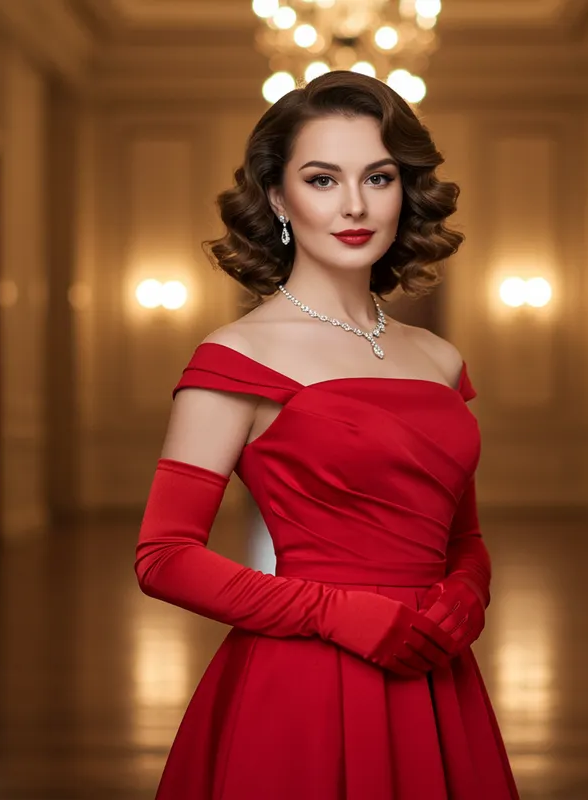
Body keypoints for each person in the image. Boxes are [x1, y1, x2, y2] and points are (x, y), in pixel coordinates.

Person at [135, 70, 519, 799]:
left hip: (438, 670)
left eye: (378, 177)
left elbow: (462, 538)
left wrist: (468, 594)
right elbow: (163, 556)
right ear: (279, 198)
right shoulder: (235, 358)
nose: (354, 205)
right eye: (322, 179)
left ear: (404, 191)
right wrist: (339, 613)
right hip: (306, 675)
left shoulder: (438, 359)